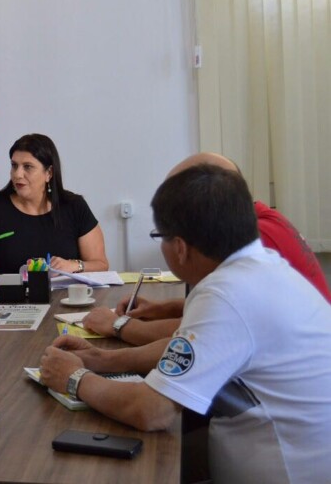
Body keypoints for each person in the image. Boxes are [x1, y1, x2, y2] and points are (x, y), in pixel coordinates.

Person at [40, 165, 331, 483]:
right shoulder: (261, 268)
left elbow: (152, 411)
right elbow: (187, 352)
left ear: (179, 246)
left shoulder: (227, 294)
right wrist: (99, 359)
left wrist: (74, 378)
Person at [81, 152, 331, 344]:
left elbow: (201, 331)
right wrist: (161, 309)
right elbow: (220, 313)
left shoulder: (253, 239)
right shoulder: (258, 221)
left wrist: (118, 325)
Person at [0, 134, 108, 275]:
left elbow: (101, 265)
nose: (17, 174)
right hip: (9, 301)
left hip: (65, 299)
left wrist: (75, 265)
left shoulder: (74, 206)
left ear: (49, 173)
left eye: (27, 167)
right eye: (14, 165)